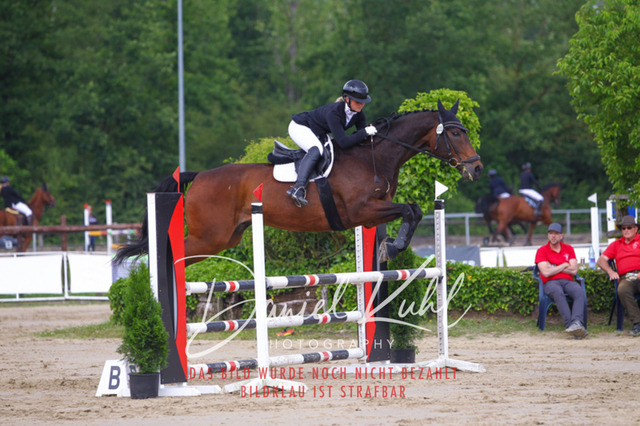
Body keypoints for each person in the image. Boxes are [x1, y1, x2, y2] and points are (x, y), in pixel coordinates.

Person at [285, 80, 377, 207]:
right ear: (347, 99)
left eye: (363, 102)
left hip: (317, 131)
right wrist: (365, 132)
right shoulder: (334, 112)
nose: (361, 105)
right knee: (316, 150)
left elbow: (361, 137)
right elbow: (344, 142)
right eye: (358, 102)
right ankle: (298, 188)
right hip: (299, 126)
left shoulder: (359, 114)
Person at [535, 222, 587, 338]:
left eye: (556, 233)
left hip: (568, 281)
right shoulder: (542, 250)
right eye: (550, 233)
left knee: (579, 291)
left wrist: (553, 266)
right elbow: (546, 272)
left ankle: (576, 323)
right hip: (550, 282)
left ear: (561, 236)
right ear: (548, 235)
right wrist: (563, 265)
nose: (553, 236)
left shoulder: (569, 248)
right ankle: (571, 325)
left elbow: (574, 270)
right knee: (557, 292)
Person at [596, 215, 640, 336]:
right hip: (627, 277)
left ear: (635, 229)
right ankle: (637, 322)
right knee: (622, 289)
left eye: (629, 227)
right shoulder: (616, 245)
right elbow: (601, 260)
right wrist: (610, 271)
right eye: (623, 228)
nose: (626, 230)